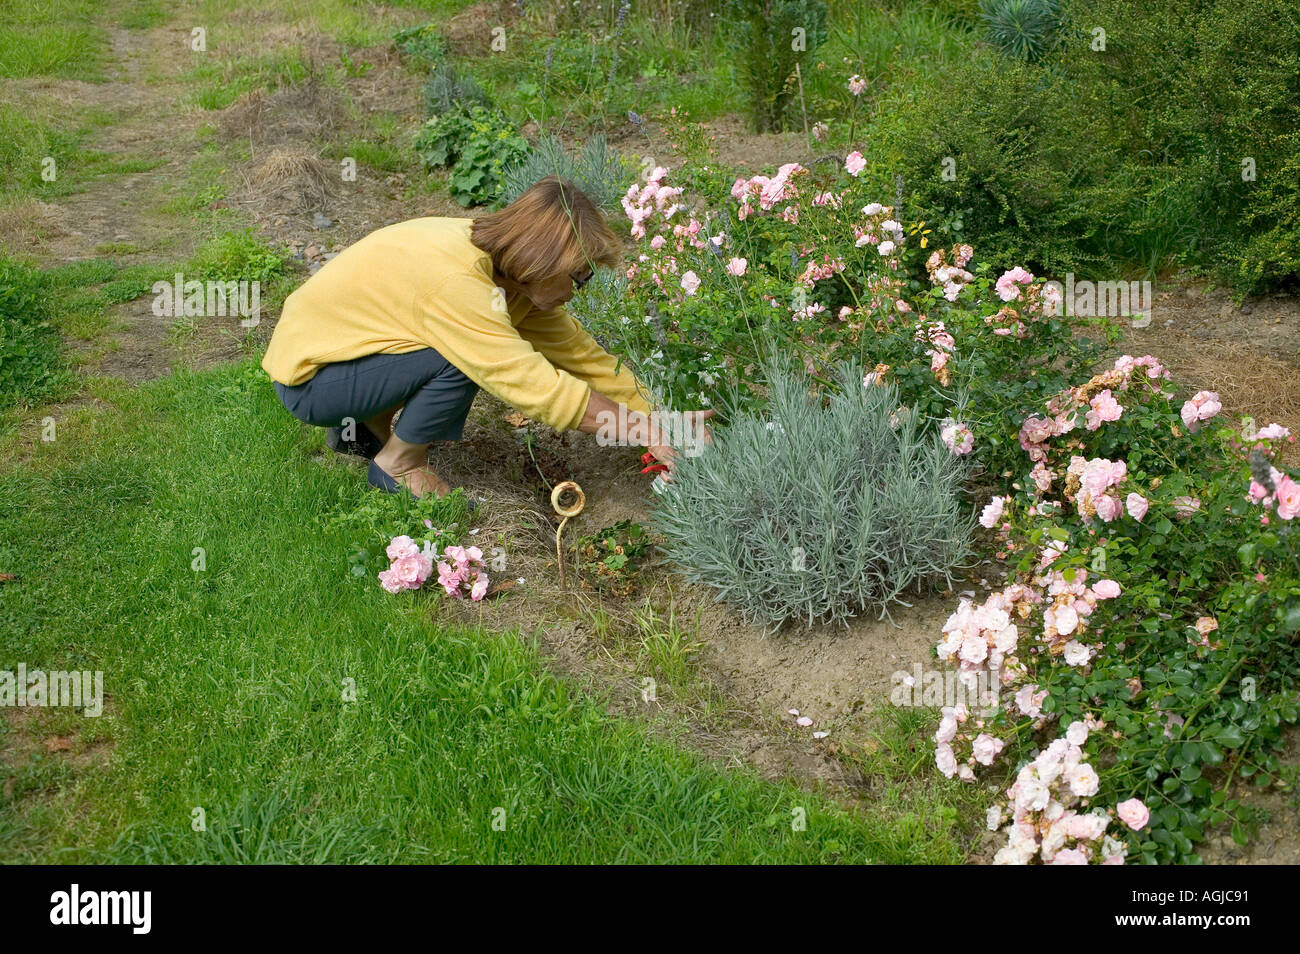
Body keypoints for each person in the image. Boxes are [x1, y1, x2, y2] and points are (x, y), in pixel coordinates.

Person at [262, 176, 713, 498]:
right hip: (310, 380)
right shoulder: (458, 283)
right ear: (545, 263)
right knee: (461, 358)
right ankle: (398, 464)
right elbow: (534, 386)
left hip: (346, 360)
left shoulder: (509, 278)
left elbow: (584, 359)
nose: (579, 291)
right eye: (579, 278)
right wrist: (642, 430)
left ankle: (363, 429)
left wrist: (662, 418)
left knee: (458, 349)